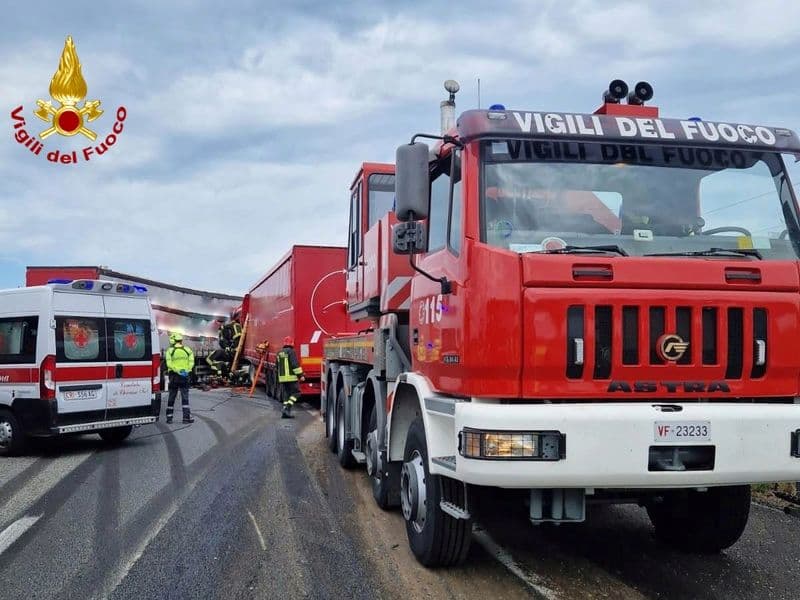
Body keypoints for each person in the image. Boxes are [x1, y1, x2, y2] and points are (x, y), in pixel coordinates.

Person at [165, 332, 195, 424]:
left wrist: (177, 370)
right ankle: (186, 418)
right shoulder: (188, 350)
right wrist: (186, 370)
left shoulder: (170, 351)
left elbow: (169, 364)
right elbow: (191, 362)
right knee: (185, 397)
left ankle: (169, 418)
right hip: (184, 376)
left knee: (172, 396)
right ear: (181, 341)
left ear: (173, 341)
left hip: (174, 376)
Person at [276, 336, 304, 419]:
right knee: (297, 393)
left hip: (282, 378)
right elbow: (295, 365)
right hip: (291, 378)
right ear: (292, 343)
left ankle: (285, 412)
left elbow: (277, 366)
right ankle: (287, 408)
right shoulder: (291, 352)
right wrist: (300, 375)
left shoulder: (279, 352)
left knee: (286, 395)